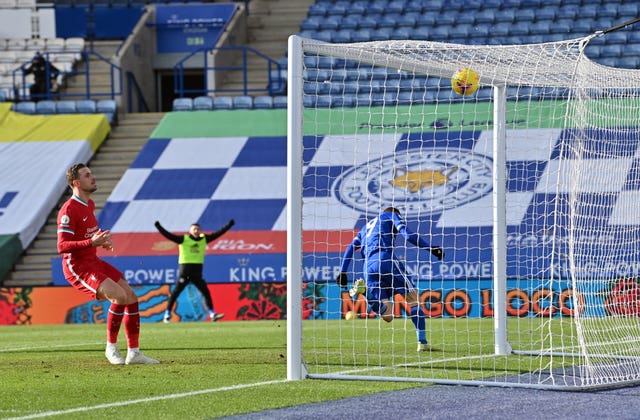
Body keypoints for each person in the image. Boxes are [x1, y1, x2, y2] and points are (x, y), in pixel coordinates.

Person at [57, 163, 159, 365]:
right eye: (87, 175)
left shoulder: (89, 204)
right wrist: (91, 242)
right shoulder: (69, 210)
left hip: (93, 261)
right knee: (119, 296)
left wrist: (101, 238)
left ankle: (134, 353)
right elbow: (62, 246)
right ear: (77, 183)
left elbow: (88, 233)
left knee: (131, 296)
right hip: (78, 267)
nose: (93, 177)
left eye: (92, 173)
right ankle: (111, 348)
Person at [336, 206, 444, 352]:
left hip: (368, 267)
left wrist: (343, 272)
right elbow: (408, 236)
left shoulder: (365, 228)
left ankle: (365, 293)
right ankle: (422, 342)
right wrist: (431, 248)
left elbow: (350, 247)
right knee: (413, 300)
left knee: (388, 316)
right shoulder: (391, 215)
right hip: (385, 259)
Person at [154, 219, 235, 323]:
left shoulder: (203, 239)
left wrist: (229, 225)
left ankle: (212, 314)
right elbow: (169, 236)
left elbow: (218, 234)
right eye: (194, 229)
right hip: (185, 272)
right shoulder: (184, 239)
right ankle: (167, 314)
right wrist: (159, 227)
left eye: (197, 229)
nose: (196, 231)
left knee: (206, 293)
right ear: (190, 231)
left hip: (197, 273)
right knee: (175, 293)